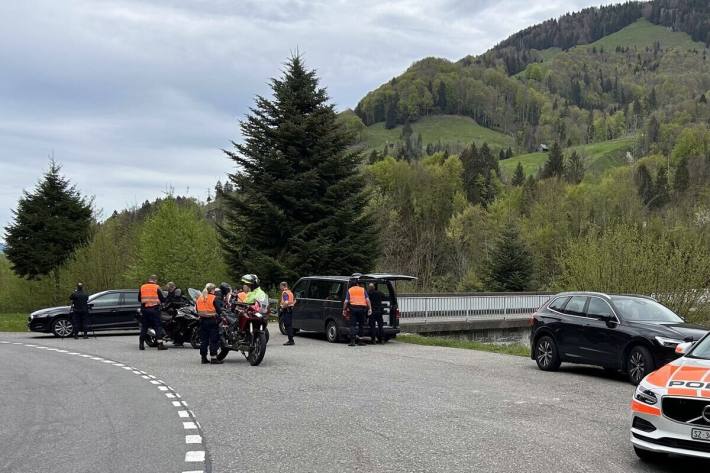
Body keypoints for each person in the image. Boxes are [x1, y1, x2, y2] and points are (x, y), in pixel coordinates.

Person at [196, 283, 223, 364]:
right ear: (212, 290)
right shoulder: (214, 298)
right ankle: (214, 358)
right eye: (214, 290)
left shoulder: (200, 298)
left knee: (204, 340)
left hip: (202, 321)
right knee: (213, 340)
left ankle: (203, 358)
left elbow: (197, 310)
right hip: (212, 321)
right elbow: (219, 310)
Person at [138, 275, 167, 351]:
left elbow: (139, 299)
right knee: (158, 327)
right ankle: (160, 345)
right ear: (155, 280)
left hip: (144, 310)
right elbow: (163, 299)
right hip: (155, 310)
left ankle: (141, 345)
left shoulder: (142, 287)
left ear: (149, 279)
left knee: (144, 327)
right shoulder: (157, 287)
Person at [343, 277, 371, 347]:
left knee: (352, 325)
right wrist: (370, 308)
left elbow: (346, 301)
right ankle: (360, 341)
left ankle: (352, 341)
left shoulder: (350, 290)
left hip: (353, 309)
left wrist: (344, 310)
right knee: (361, 325)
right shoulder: (362, 289)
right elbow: (367, 300)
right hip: (362, 309)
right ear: (357, 284)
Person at [279, 281, 296, 346]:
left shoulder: (285, 293)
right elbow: (294, 301)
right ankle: (291, 339)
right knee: (289, 325)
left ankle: (291, 340)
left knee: (287, 325)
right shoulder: (290, 292)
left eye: (280, 286)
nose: (280, 288)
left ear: (283, 286)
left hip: (286, 310)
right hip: (290, 310)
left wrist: (282, 308)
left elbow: (286, 302)